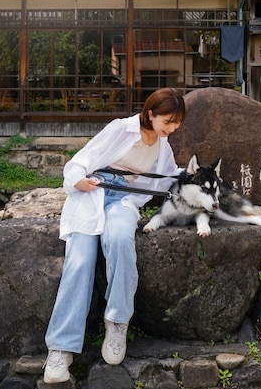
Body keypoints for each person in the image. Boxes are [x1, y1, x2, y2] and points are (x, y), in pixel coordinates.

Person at [43, 87, 186, 383]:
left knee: (121, 240)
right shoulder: (121, 128)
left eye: (175, 124)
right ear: (150, 114)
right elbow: (83, 158)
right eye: (168, 122)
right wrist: (78, 182)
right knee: (80, 261)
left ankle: (118, 322)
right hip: (92, 192)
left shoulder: (163, 148)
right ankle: (60, 348)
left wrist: (204, 178)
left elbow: (172, 176)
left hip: (123, 200)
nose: (171, 129)